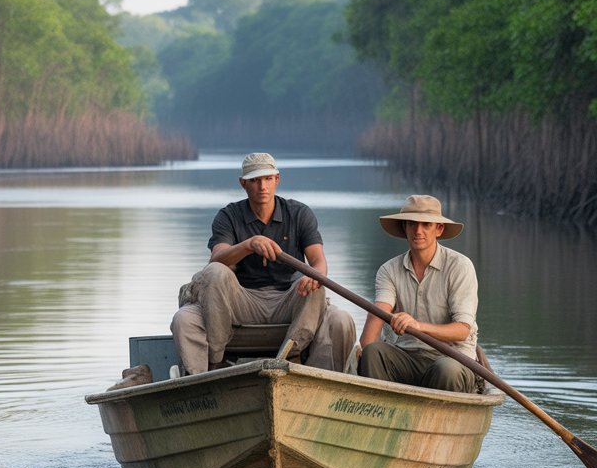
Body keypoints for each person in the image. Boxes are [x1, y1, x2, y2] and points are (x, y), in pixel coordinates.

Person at [171, 152, 355, 375]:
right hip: (241, 302)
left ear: (277, 180)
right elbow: (216, 260)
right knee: (188, 312)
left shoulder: (298, 213)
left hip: (287, 299)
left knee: (331, 304)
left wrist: (313, 276)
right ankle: (211, 369)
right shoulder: (228, 216)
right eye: (255, 180)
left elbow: (318, 262)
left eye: (268, 179)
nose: (262, 187)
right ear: (243, 184)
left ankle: (297, 361)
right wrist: (249, 244)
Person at [357, 195, 479, 392]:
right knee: (373, 352)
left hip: (451, 358)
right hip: (407, 356)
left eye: (426, 225)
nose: (418, 231)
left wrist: (418, 326)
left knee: (446, 369)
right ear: (404, 228)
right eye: (412, 224)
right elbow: (378, 315)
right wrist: (364, 354)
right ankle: (381, 413)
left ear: (438, 229)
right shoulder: (388, 270)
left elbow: (463, 329)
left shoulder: (460, 266)